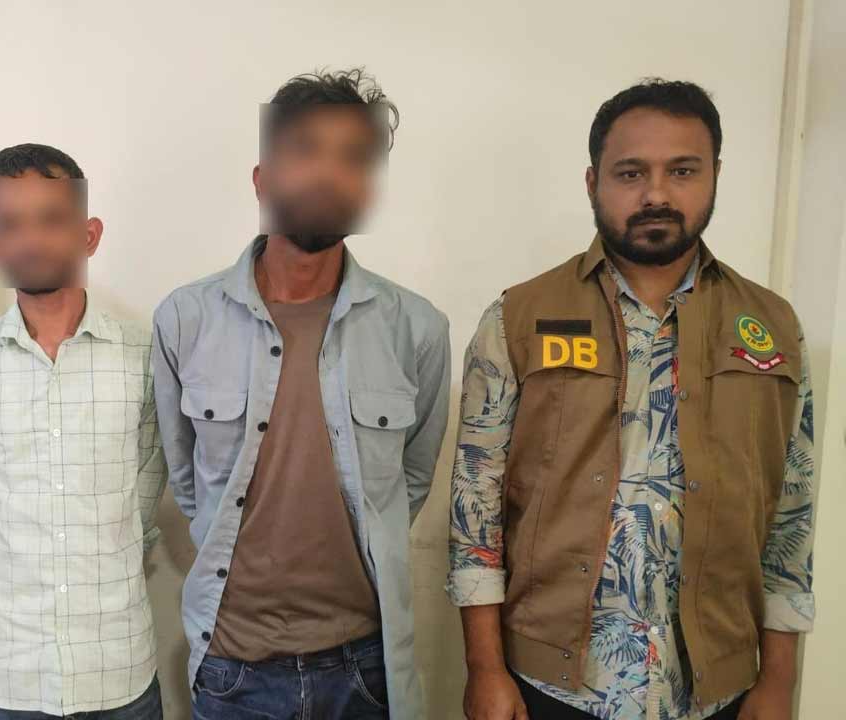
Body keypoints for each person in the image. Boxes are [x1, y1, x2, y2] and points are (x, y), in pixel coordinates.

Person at [449, 79, 815, 720]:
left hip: (717, 687)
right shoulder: (518, 317)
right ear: (593, 182)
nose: (656, 194)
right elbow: (474, 508)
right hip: (552, 685)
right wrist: (485, 668)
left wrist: (778, 677)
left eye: (682, 170)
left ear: (716, 176)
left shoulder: (773, 326)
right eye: (631, 172)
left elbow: (792, 512)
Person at [152, 68, 451, 719]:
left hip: (366, 669)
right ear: (263, 179)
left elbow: (410, 481)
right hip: (233, 667)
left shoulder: (417, 328)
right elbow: (187, 479)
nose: (329, 174)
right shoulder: (185, 318)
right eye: (307, 151)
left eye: (354, 158)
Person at [0, 144, 167, 719]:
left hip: (116, 665)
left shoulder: (147, 359)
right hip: (3, 671)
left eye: (51, 219)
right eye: (10, 224)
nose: (31, 240)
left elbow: (142, 500)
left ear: (89, 234)